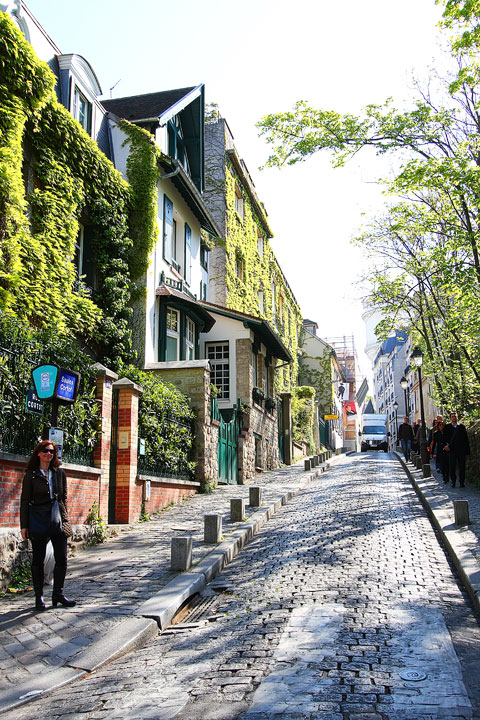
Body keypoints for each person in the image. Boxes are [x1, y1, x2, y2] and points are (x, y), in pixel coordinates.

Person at [20, 440, 76, 611]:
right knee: (38, 559)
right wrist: (24, 525)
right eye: (45, 451)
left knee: (62, 558)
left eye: (51, 451)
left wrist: (65, 517)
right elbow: (24, 501)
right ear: (38, 453)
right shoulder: (31, 475)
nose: (48, 454)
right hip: (38, 519)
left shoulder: (59, 473)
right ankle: (39, 596)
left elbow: (63, 497)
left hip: (57, 519)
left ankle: (58, 594)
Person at [443, 412, 470, 488]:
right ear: (450, 418)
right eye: (452, 416)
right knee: (452, 466)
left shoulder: (461, 427)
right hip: (452, 450)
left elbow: (466, 439)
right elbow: (444, 438)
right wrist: (445, 445)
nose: (454, 417)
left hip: (461, 450)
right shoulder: (447, 427)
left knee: (462, 467)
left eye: (455, 416)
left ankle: (462, 482)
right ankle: (453, 481)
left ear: (457, 417)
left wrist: (467, 451)